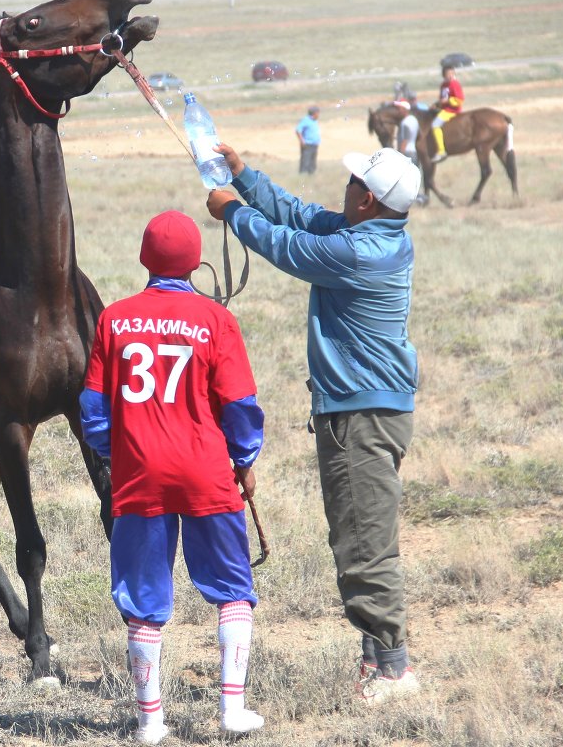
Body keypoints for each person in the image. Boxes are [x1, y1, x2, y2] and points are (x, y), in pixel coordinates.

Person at [206, 144, 422, 707]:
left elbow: (288, 245)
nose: (345, 186)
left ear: (368, 199)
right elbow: (301, 216)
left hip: (359, 417)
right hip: (370, 411)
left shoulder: (356, 252)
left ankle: (392, 672)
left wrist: (231, 211)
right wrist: (245, 177)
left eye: (354, 181)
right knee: (361, 535)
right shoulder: (378, 236)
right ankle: (378, 661)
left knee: (365, 544)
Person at [80, 210, 265, 744]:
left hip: (139, 475)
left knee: (143, 598)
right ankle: (232, 709)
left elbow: (93, 410)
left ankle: (150, 721)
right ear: (194, 261)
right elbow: (240, 405)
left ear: (145, 257)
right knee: (232, 589)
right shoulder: (215, 319)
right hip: (207, 472)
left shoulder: (114, 319)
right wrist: (244, 460)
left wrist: (120, 455)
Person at [396, 97, 428, 206]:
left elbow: (404, 140)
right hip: (414, 151)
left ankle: (417, 198)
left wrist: (399, 155)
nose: (398, 110)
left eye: (399, 108)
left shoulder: (404, 123)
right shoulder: (414, 120)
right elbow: (420, 135)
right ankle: (420, 197)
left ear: (404, 109)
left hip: (406, 153)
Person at [431, 65, 464, 163]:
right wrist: (437, 104)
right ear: (443, 75)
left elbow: (460, 100)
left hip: (452, 111)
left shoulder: (455, 84)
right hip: (444, 109)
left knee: (435, 125)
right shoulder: (443, 85)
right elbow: (442, 99)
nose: (449, 76)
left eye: (451, 73)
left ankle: (441, 151)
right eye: (447, 74)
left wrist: (448, 101)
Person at [295, 105, 321, 175]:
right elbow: (298, 130)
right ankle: (302, 177)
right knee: (305, 161)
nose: (319, 115)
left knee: (313, 162)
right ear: (314, 113)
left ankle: (311, 176)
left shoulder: (315, 121)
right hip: (307, 144)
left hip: (314, 144)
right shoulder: (306, 120)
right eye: (318, 113)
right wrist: (302, 140)